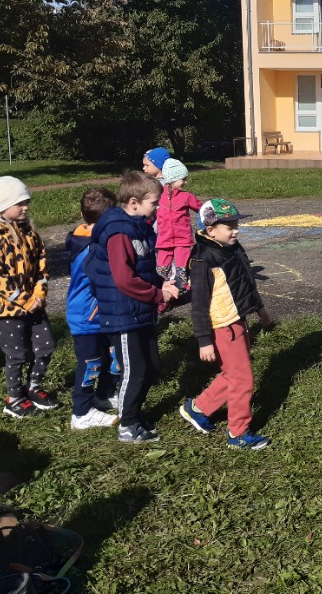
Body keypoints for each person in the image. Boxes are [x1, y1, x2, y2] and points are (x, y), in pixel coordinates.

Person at [83, 171, 179, 444]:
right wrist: (158, 295)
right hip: (124, 314)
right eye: (154, 203)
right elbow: (124, 279)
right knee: (134, 370)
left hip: (141, 310)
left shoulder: (140, 226)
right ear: (134, 202)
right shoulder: (119, 232)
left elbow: (144, 268)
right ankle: (127, 425)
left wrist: (162, 283)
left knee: (151, 367)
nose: (158, 208)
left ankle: (134, 414)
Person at [179, 199, 274, 450]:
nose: (236, 231)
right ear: (211, 230)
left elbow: (246, 281)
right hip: (223, 326)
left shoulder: (233, 248)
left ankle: (198, 408)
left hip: (238, 319)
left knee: (233, 374)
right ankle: (238, 433)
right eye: (229, 227)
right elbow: (199, 304)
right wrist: (204, 340)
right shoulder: (202, 260)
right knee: (242, 380)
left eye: (236, 225)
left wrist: (259, 307)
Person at [0, 177, 58, 418]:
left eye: (26, 202)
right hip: (7, 310)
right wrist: (24, 300)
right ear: (3, 206)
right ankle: (14, 398)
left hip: (35, 305)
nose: (25, 207)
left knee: (46, 346)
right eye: (19, 203)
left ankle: (33, 387)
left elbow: (42, 265)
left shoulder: (30, 234)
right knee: (17, 354)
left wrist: (39, 293)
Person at [66, 188, 121, 430]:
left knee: (110, 355)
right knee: (91, 363)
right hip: (85, 317)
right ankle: (81, 412)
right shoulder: (93, 249)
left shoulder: (85, 239)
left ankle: (104, 394)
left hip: (100, 314)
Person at [154, 158, 202, 290]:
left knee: (183, 266)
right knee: (162, 268)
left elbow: (201, 209)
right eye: (183, 179)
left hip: (183, 239)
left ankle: (184, 288)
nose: (185, 182)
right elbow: (150, 212)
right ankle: (161, 289)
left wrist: (211, 216)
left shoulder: (186, 196)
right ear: (172, 179)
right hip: (164, 239)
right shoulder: (158, 196)